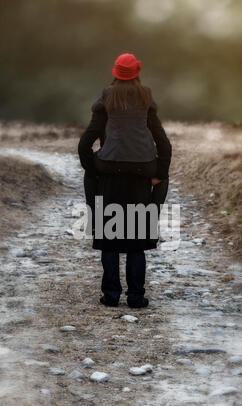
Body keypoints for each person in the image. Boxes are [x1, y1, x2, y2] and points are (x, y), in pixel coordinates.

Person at [78, 53, 172, 308]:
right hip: (142, 176)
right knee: (136, 243)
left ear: (115, 73)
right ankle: (136, 297)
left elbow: (85, 143)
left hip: (108, 174)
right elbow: (163, 143)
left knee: (109, 240)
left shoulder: (106, 98)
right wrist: (158, 175)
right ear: (137, 73)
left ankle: (110, 296)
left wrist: (94, 171)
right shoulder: (146, 98)